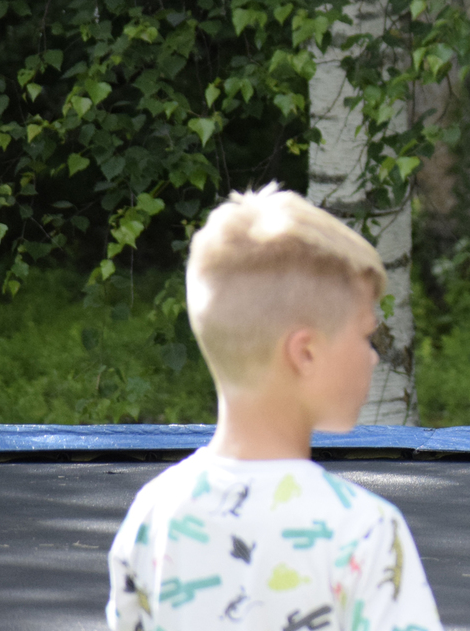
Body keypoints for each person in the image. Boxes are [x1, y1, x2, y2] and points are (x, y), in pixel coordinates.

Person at [107, 185, 443, 631]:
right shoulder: (364, 531)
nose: (373, 357)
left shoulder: (154, 514)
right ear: (305, 353)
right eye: (365, 336)